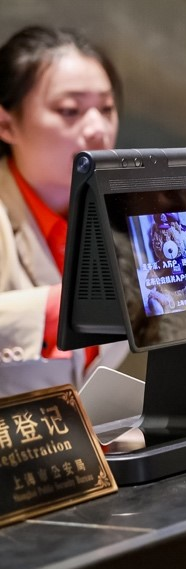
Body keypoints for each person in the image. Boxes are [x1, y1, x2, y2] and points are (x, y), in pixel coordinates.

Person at [0, 25, 128, 398]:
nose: (98, 129)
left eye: (106, 108)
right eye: (70, 110)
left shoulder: (126, 212)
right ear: (6, 123)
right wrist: (52, 310)